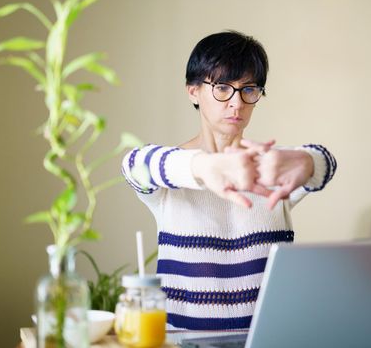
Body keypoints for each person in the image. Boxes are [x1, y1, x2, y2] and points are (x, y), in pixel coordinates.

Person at [121, 30, 337, 330]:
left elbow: (324, 164)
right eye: (223, 87)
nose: (237, 103)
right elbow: (133, 164)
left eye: (249, 89)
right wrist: (202, 167)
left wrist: (307, 161)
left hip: (267, 337)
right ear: (193, 91)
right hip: (183, 340)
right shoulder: (174, 171)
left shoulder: (270, 168)